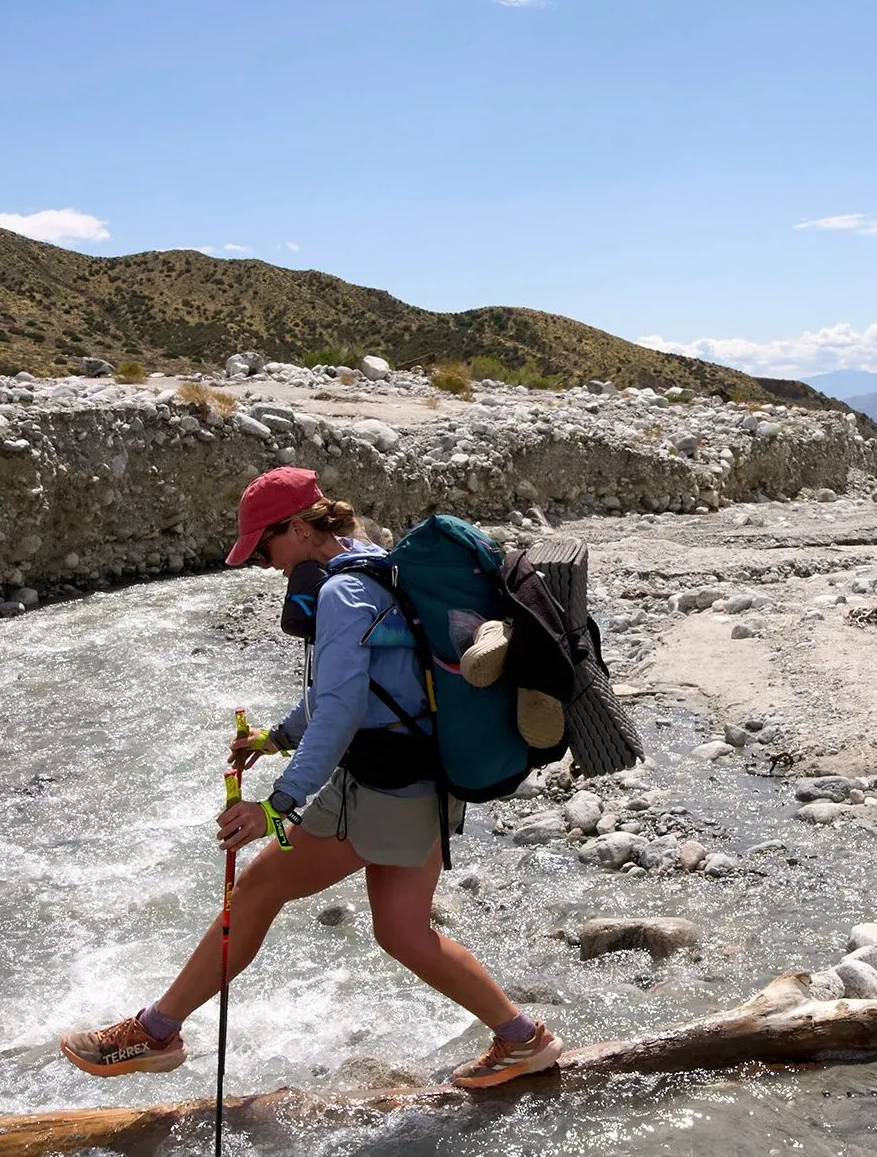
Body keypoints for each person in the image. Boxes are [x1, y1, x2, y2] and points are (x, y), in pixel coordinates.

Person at [58, 466, 561, 1089]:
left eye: (266, 547)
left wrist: (279, 805)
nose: (267, 564)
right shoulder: (377, 563)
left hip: (379, 787)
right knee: (404, 933)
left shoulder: (339, 593)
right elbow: (348, 688)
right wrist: (277, 738)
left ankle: (155, 1033)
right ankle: (523, 1040)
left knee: (260, 889)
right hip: (425, 779)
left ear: (298, 527)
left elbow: (344, 706)